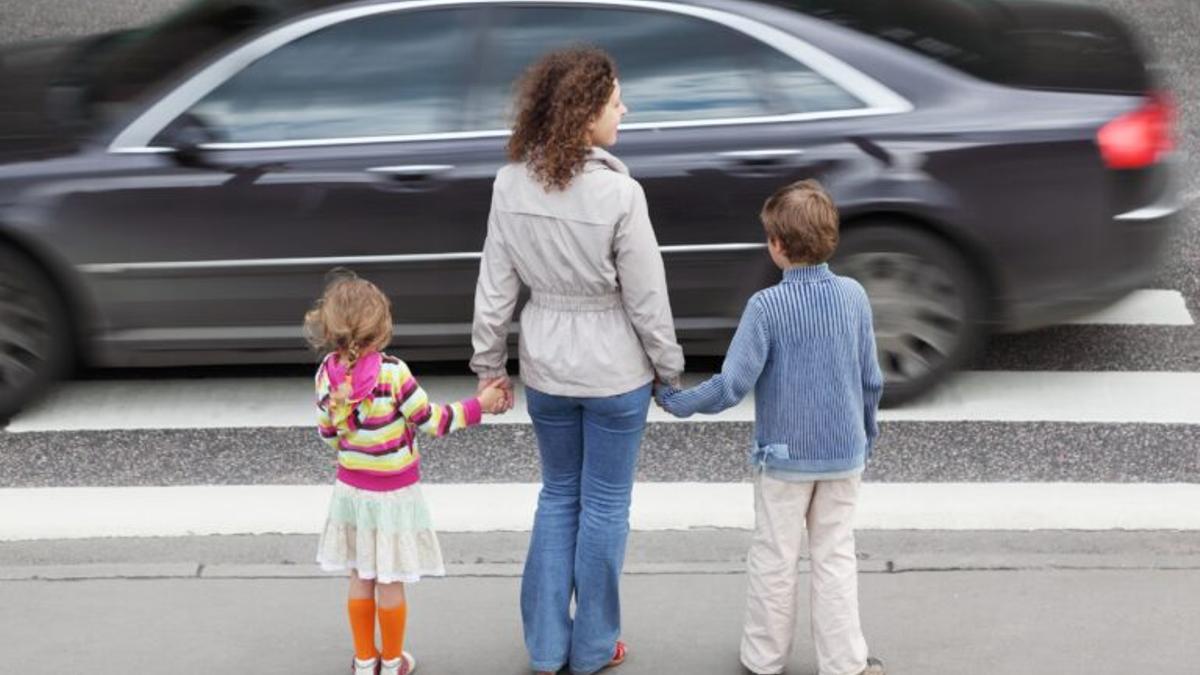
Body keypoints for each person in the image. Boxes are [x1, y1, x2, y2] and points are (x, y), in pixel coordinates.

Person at [470, 46, 684, 675]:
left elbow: (495, 289)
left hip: (547, 369)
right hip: (616, 370)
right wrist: (668, 371)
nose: (625, 110)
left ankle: (544, 646)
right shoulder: (621, 194)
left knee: (558, 495)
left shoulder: (510, 184)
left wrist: (490, 366)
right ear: (588, 113)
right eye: (617, 101)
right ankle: (593, 648)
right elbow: (647, 299)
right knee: (607, 506)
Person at [656, 180, 886, 675]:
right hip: (845, 454)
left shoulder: (766, 308)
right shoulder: (854, 296)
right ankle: (845, 663)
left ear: (778, 246)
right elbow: (871, 378)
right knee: (835, 557)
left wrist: (676, 401)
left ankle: (764, 659)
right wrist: (865, 435)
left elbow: (731, 385)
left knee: (775, 558)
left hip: (783, 461)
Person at [305, 270, 507, 675]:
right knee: (389, 580)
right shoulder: (394, 373)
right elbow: (431, 420)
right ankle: (394, 661)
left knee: (360, 576)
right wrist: (479, 404)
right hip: (395, 496)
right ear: (381, 328)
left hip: (351, 494)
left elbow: (328, 435)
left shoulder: (326, 374)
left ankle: (365, 662)